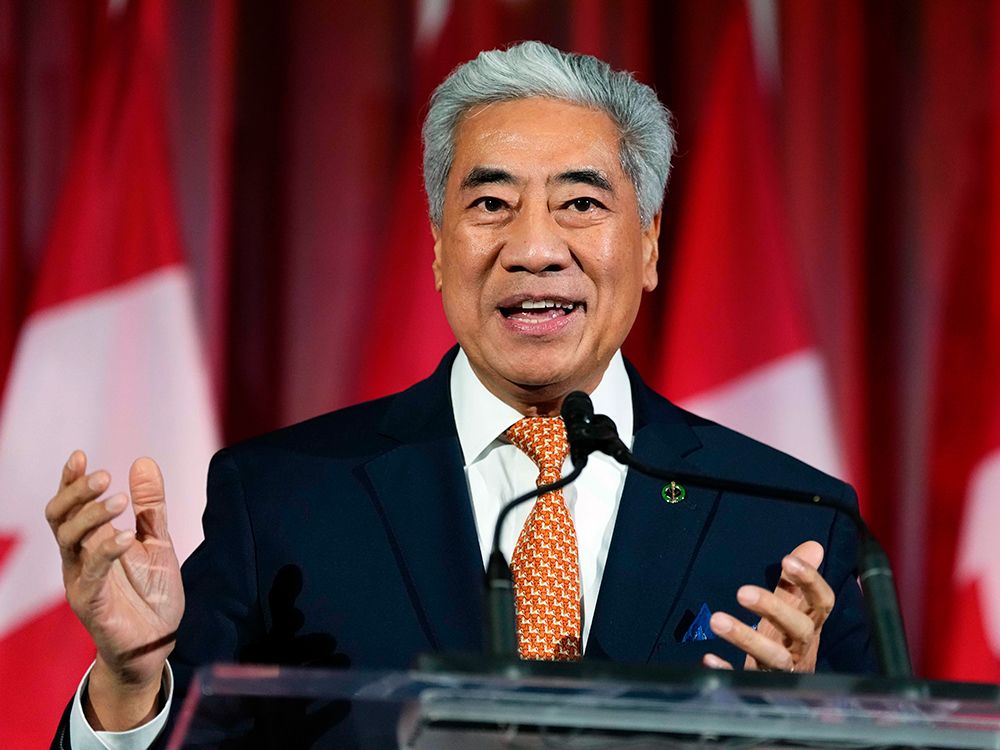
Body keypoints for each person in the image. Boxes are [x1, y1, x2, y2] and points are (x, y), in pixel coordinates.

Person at [48, 41, 873, 748]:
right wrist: (130, 686)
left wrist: (805, 734)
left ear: (650, 244)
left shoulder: (788, 521)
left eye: (581, 203)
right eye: (491, 204)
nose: (535, 247)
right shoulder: (284, 500)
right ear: (441, 247)